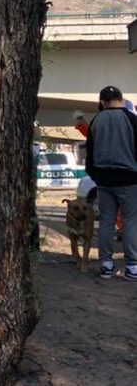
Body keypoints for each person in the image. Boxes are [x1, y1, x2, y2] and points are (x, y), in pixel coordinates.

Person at [84, 85, 137, 280]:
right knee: (131, 221)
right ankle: (132, 266)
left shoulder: (96, 121)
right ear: (122, 99)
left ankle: (106, 264)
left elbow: (90, 152)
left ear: (102, 102)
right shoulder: (132, 119)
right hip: (129, 179)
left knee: (106, 220)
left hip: (104, 180)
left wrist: (95, 175)